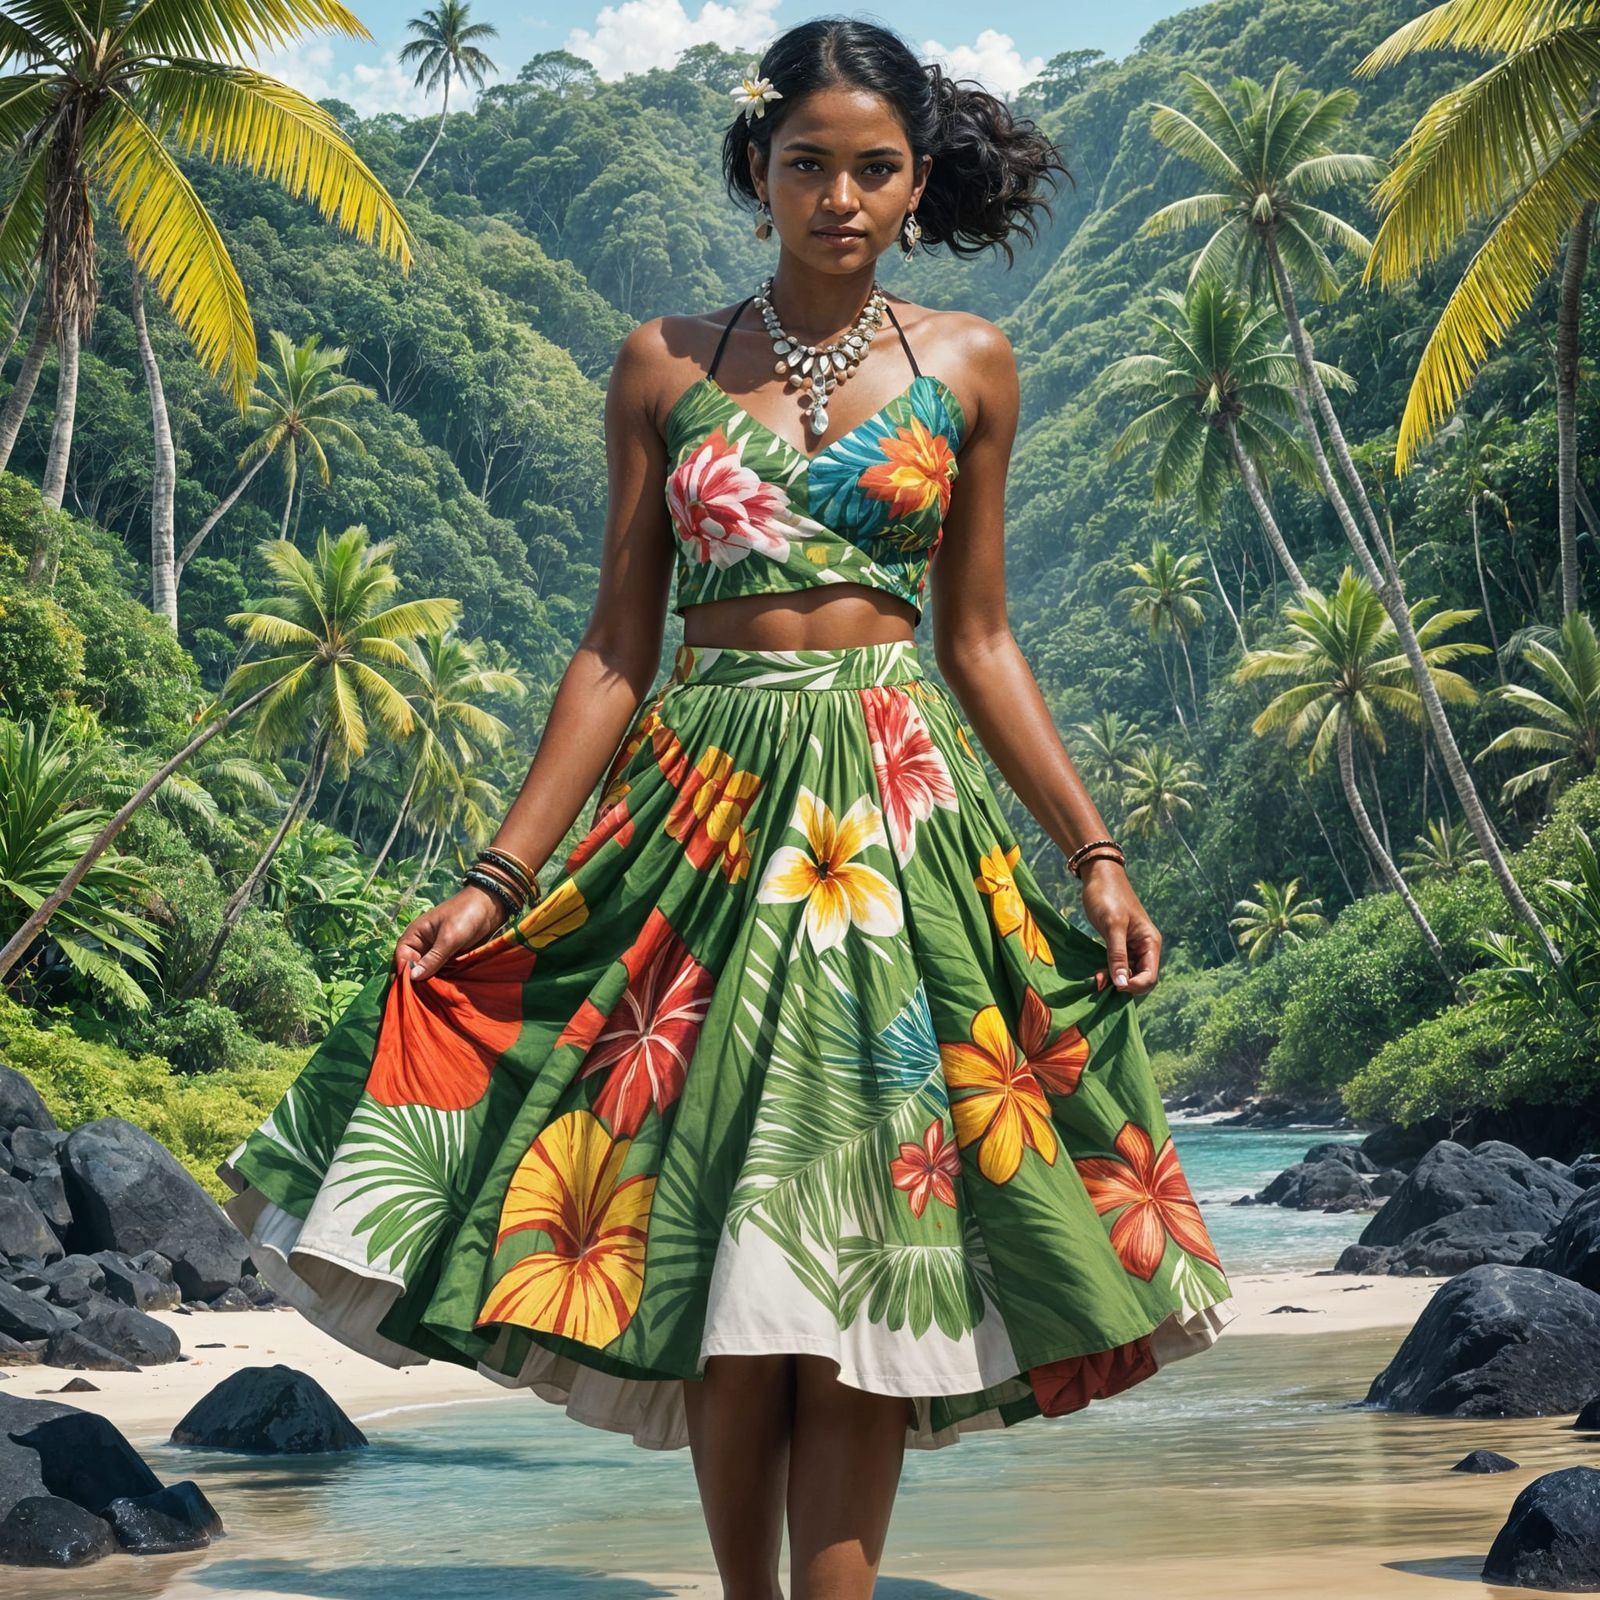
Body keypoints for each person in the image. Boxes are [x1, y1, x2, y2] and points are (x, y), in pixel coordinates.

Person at [219, 16, 1238, 1597]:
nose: (841, 195)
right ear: (757, 166)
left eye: (875, 168)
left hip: (897, 837)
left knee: (862, 1262)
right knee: (715, 1255)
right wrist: (497, 877)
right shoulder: (664, 363)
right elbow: (620, 646)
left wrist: (1093, 853)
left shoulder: (971, 362)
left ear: (917, 181)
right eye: (808, 162)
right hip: (696, 831)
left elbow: (977, 639)